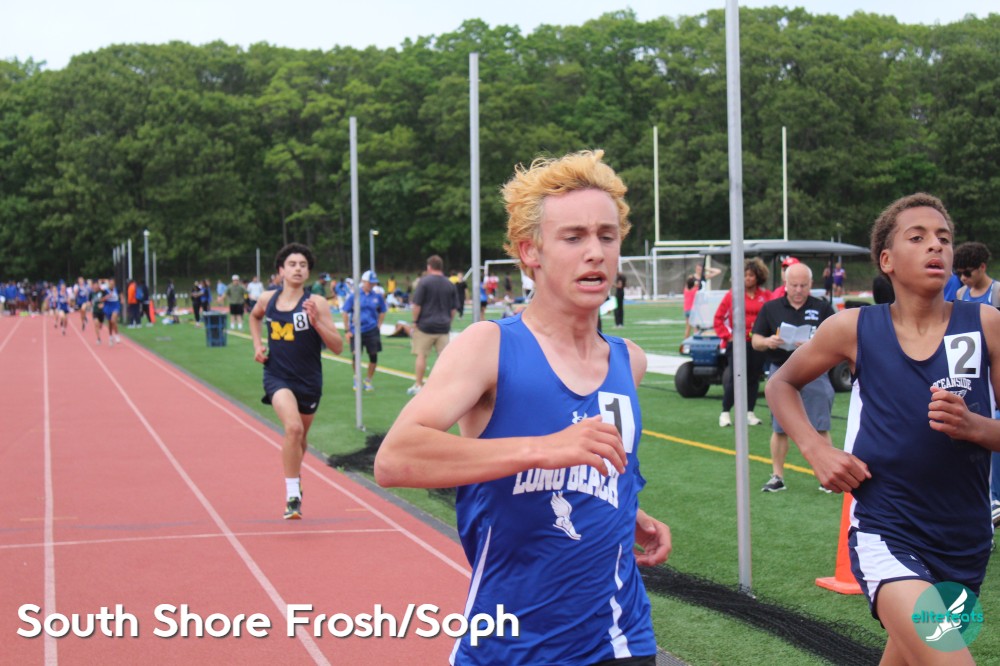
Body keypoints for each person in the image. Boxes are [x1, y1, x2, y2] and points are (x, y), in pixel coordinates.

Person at [375, 150, 670, 665]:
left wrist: (628, 511)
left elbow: (594, 469)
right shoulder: (489, 347)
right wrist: (543, 449)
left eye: (606, 236)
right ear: (530, 252)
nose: (595, 252)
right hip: (509, 646)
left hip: (622, 640)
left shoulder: (629, 362)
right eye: (573, 237)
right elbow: (395, 459)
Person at [767, 193, 999, 665]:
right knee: (948, 658)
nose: (936, 246)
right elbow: (781, 384)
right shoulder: (853, 328)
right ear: (887, 260)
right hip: (887, 530)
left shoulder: (988, 324)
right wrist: (816, 450)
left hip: (966, 540)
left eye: (944, 238)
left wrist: (976, 427)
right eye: (918, 237)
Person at [249, 243, 343, 520]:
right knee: (292, 429)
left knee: (300, 438)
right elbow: (254, 317)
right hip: (277, 375)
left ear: (308, 272)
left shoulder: (317, 303)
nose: (298, 269)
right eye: (292, 264)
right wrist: (257, 345)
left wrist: (317, 322)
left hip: (309, 380)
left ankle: (295, 476)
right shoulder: (267, 299)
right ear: (281, 270)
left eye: (303, 265)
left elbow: (338, 347)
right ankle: (293, 496)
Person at [751, 262, 836, 492]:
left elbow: (837, 339)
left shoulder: (822, 308)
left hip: (814, 369)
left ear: (811, 284)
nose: (798, 290)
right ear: (785, 284)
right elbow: (755, 340)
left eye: (803, 285)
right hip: (781, 371)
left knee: (820, 424)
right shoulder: (771, 308)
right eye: (794, 285)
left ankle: (827, 476)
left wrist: (814, 343)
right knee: (780, 427)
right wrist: (768, 341)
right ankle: (777, 476)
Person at [713, 257, 770, 427]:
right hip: (738, 344)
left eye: (751, 275)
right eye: (745, 275)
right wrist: (728, 335)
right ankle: (725, 412)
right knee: (735, 377)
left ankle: (749, 412)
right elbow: (718, 318)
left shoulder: (766, 296)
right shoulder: (732, 295)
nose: (748, 278)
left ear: (758, 276)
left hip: (757, 343)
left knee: (753, 378)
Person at [407, 255, 459, 396]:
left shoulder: (424, 282)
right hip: (443, 326)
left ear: (429, 267)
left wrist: (415, 322)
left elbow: (417, 305)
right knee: (443, 357)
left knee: (421, 355)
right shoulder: (449, 284)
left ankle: (419, 384)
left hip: (425, 325)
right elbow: (453, 309)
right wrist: (448, 321)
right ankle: (443, 386)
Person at [341, 270, 387, 392]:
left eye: (373, 283)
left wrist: (379, 325)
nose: (372, 285)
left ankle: (368, 380)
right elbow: (345, 311)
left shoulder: (377, 296)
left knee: (373, 356)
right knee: (356, 355)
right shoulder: (354, 295)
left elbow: (383, 310)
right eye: (369, 283)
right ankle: (357, 377)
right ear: (363, 282)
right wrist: (347, 330)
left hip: (372, 330)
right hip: (356, 330)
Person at [953, 241, 1000, 307]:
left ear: (982, 267)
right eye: (959, 273)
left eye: (967, 273)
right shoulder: (961, 293)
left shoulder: (997, 292)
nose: (963, 278)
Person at [101, 278, 122, 346]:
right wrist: (107, 297)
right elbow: (101, 299)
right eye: (110, 284)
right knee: (110, 323)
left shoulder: (117, 289)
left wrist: (122, 299)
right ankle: (110, 336)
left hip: (115, 306)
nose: (112, 285)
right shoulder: (105, 291)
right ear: (109, 284)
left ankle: (117, 335)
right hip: (108, 307)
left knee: (113, 320)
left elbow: (121, 294)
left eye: (113, 284)